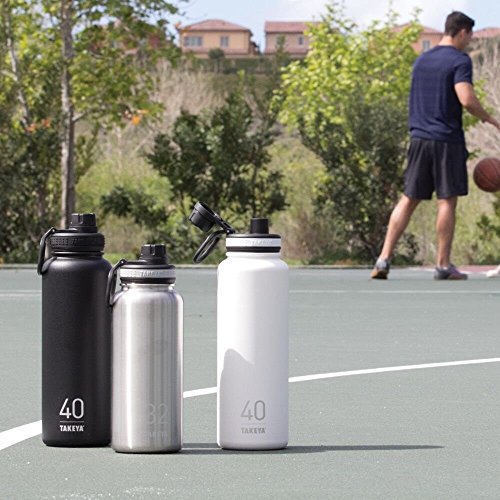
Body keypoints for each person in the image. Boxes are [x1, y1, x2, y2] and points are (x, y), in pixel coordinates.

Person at [371, 11, 500, 280]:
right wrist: (489, 118)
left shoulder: (421, 60)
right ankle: (442, 265)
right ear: (462, 32)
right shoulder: (459, 60)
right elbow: (466, 98)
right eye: (470, 36)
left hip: (418, 138)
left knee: (408, 199)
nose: (470, 42)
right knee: (446, 200)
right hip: (446, 140)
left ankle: (383, 259)